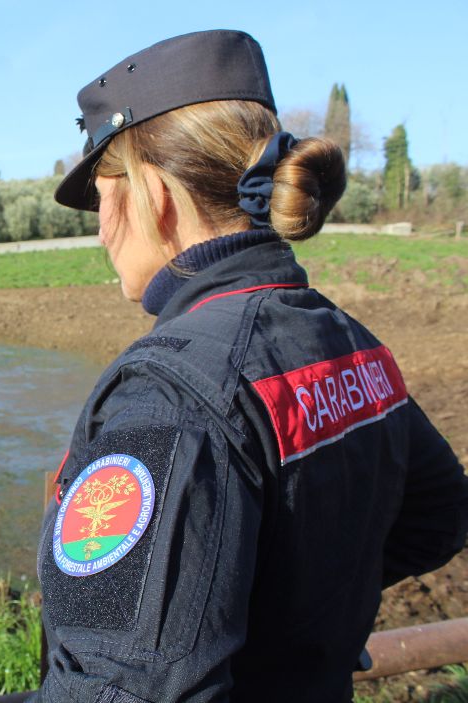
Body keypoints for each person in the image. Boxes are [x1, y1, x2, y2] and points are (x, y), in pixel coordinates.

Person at [34, 30, 468, 702]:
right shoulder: (350, 341)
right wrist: (293, 620)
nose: (100, 227)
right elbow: (438, 515)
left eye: (103, 191)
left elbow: (125, 689)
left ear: (155, 192)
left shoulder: (170, 389)